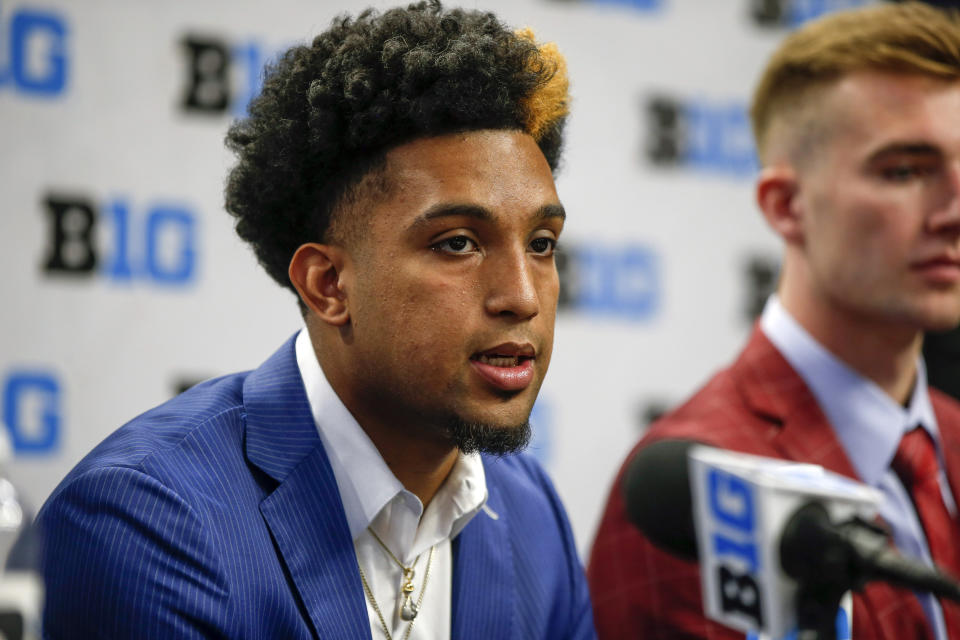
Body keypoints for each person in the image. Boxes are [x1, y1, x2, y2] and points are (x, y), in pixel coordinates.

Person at [36, 2, 595, 638]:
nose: (522, 297)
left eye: (542, 243)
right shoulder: (148, 521)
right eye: (458, 243)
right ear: (329, 285)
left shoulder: (530, 510)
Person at [589, 3, 960, 639]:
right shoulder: (698, 498)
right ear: (786, 207)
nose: (953, 210)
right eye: (905, 171)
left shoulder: (951, 435)